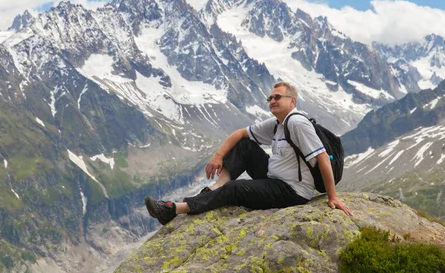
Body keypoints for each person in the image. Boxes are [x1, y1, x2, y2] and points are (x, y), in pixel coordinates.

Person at [145, 81, 352, 225]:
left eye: (277, 97)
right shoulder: (278, 123)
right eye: (270, 97)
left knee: (236, 189)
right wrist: (218, 156)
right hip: (274, 178)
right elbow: (239, 133)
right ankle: (215, 188)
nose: (272, 100)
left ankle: (173, 209)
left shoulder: (297, 122)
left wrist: (332, 197)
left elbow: (322, 158)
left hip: (293, 192)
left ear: (292, 101)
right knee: (245, 144)